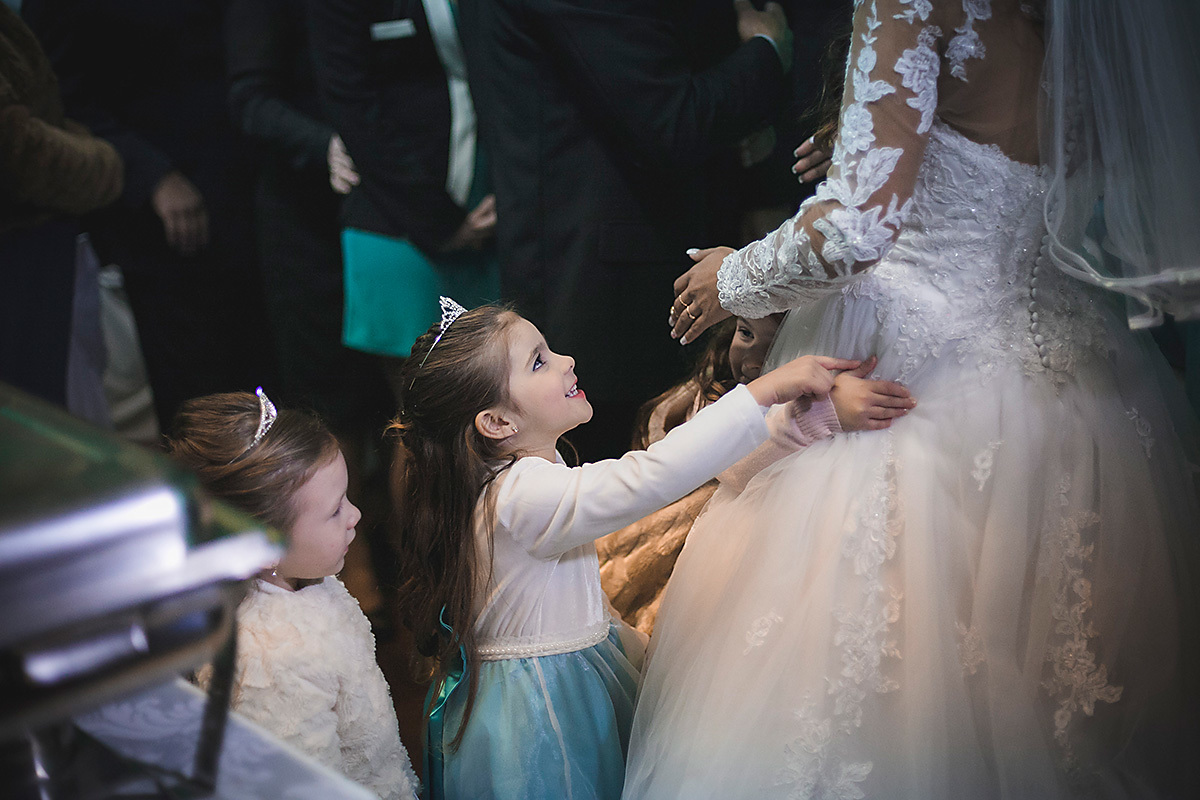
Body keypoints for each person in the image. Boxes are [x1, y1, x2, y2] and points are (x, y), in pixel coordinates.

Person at [623, 1, 1200, 798]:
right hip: (1077, 390)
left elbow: (856, 228)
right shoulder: (1095, 18)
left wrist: (732, 280)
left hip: (910, 381)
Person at [388, 299, 860, 800]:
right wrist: (763, 393)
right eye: (539, 361)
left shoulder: (509, 482)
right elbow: (651, 476)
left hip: (569, 674)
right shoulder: (522, 497)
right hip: (540, 717)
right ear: (498, 423)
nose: (566, 360)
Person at [457, 0, 799, 461]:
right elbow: (670, 119)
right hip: (608, 292)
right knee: (625, 487)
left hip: (590, 268)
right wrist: (768, 48)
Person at [169, 388, 419, 800]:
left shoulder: (306, 579)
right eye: (335, 509)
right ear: (264, 543)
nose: (356, 515)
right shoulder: (271, 661)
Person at [601, 314, 914, 635]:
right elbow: (725, 464)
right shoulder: (715, 390)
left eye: (774, 346)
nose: (751, 361)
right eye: (745, 333)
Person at [306, 0, 499, 394]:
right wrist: (442, 223)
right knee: (419, 405)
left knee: (499, 386)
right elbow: (352, 102)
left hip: (494, 208)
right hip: (394, 211)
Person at [1, 1, 122, 408]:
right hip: (18, 243)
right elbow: (16, 147)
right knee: (27, 413)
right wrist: (100, 163)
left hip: (34, 242)